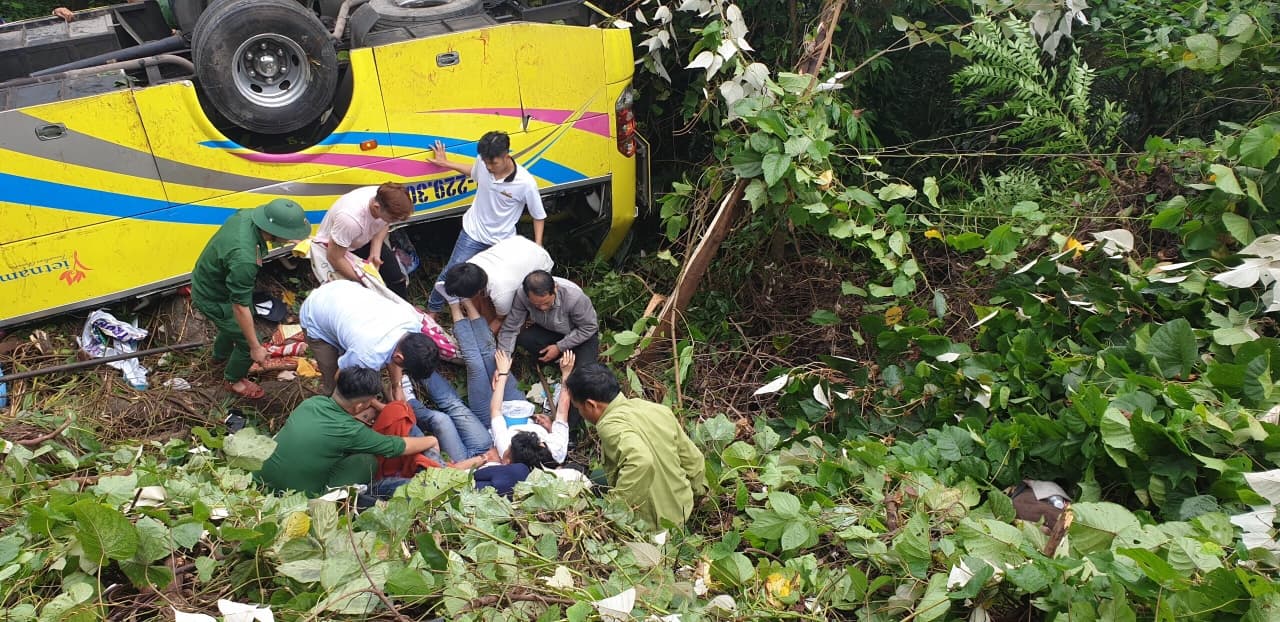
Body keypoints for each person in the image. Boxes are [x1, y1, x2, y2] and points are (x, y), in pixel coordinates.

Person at [299, 280, 492, 461]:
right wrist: (383, 408)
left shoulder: (412, 324)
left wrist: (396, 385)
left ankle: (390, 396)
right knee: (340, 389)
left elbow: (394, 353)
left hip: (346, 297)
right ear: (400, 357)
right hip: (317, 311)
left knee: (381, 388)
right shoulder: (367, 354)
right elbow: (343, 378)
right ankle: (331, 420)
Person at [191, 199, 311, 399]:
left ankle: (219, 357)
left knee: (232, 327)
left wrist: (288, 238)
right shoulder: (244, 259)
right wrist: (255, 347)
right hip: (214, 296)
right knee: (247, 341)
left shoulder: (247, 215)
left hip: (212, 282)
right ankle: (233, 380)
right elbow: (239, 307)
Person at [256, 367, 441, 497]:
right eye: (370, 402)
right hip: (299, 498)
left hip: (261, 481)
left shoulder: (311, 403)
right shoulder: (351, 431)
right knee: (366, 461)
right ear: (360, 405)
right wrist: (431, 440)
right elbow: (395, 446)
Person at [565, 363, 707, 530]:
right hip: (683, 507)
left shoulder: (608, 425)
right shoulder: (655, 409)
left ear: (591, 405)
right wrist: (700, 493)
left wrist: (614, 509)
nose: (580, 414)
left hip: (656, 525)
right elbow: (693, 459)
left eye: (578, 408)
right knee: (597, 476)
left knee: (591, 485)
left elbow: (641, 461)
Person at [426, 131, 547, 314]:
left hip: (502, 242)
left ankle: (492, 316)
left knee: (499, 284)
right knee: (451, 273)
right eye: (485, 161)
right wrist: (446, 163)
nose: (489, 167)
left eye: (493, 163)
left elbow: (538, 215)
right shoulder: (482, 163)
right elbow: (473, 172)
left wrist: (537, 246)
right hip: (473, 232)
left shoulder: (525, 183)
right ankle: (432, 312)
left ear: (506, 155)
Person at [311, 182, 414, 299]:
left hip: (363, 239)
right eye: (393, 218)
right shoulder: (350, 220)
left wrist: (375, 253)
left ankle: (404, 311)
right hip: (337, 249)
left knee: (396, 278)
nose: (394, 221)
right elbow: (334, 257)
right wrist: (366, 279)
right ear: (376, 207)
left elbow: (384, 223)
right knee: (363, 293)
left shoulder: (385, 197)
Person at [441, 235, 553, 331]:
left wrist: (484, 340)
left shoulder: (502, 293)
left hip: (538, 260)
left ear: (478, 290)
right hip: (517, 247)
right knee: (478, 303)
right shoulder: (469, 267)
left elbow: (500, 319)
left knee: (510, 315)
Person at [498, 270, 599, 368]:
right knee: (526, 338)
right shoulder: (522, 295)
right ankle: (557, 362)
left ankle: (568, 362)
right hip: (551, 329)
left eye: (547, 303)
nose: (543, 308)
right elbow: (510, 328)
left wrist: (559, 347)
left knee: (585, 371)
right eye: (536, 305)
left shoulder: (575, 298)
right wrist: (503, 362)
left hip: (579, 332)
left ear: (555, 288)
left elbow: (589, 327)